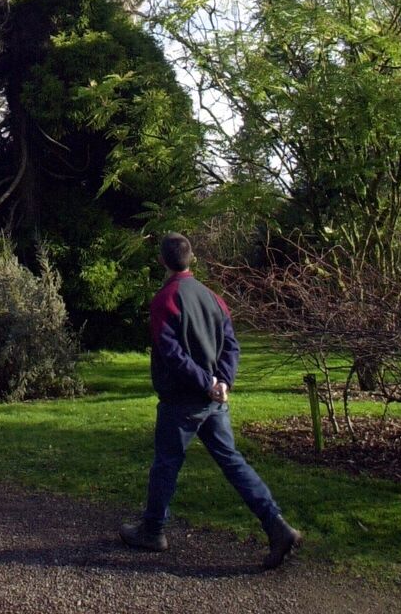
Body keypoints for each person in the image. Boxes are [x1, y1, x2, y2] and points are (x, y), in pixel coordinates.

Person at [120, 232, 301, 569]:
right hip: (214, 400)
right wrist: (223, 382)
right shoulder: (214, 298)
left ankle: (153, 530)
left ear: (162, 261)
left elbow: (171, 354)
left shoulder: (165, 300)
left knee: (166, 464)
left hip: (181, 401)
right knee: (233, 462)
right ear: (191, 259)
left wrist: (207, 384)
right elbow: (231, 345)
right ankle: (276, 525)